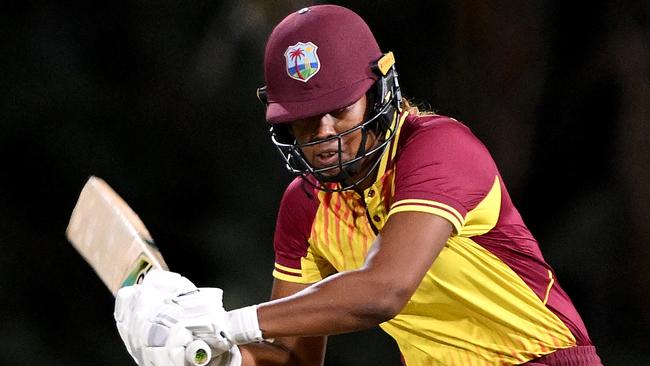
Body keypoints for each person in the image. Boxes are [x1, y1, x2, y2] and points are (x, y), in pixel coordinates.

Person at [114, 4, 603, 365]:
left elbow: (384, 290)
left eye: (340, 109)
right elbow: (292, 357)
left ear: (379, 92)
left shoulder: (439, 149)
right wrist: (215, 355)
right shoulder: (304, 209)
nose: (325, 133)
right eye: (305, 120)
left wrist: (228, 321)